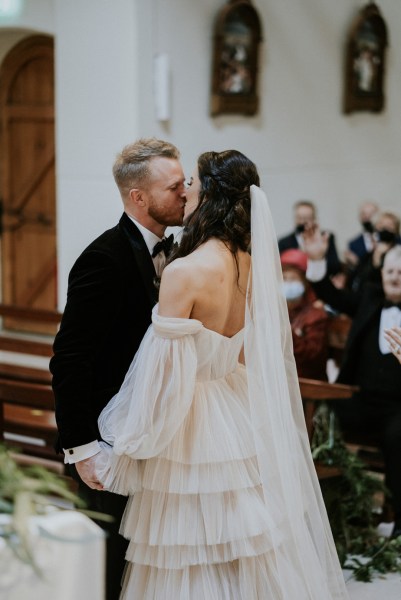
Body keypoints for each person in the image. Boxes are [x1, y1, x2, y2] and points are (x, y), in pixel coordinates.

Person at [94, 150, 348, 598]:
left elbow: (162, 376)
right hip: (235, 411)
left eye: (191, 182)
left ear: (208, 194)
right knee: (242, 543)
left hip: (190, 419)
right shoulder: (253, 265)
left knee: (185, 551)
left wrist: (131, 441)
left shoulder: (185, 272)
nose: (184, 191)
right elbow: (250, 356)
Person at [49, 138, 186, 599]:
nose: (185, 194)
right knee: (108, 571)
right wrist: (83, 448)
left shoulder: (180, 254)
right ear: (139, 198)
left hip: (152, 435)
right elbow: (70, 358)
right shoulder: (103, 258)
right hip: (106, 444)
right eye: (174, 187)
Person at [303, 226, 401, 540]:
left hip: (397, 408)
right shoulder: (370, 298)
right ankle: (328, 511)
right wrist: (317, 262)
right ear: (382, 272)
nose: (395, 277)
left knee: (399, 436)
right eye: (390, 270)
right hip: (357, 398)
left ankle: (399, 519)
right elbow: (332, 296)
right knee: (318, 419)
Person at [281, 248, 329, 380]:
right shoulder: (279, 309)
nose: (288, 283)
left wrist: (286, 330)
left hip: (304, 382)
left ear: (304, 282)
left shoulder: (317, 315)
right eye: (284, 278)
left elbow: (312, 357)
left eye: (293, 278)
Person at [278, 199, 342, 276]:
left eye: (307, 218)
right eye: (300, 218)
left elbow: (335, 266)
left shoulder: (326, 237)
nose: (303, 222)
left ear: (314, 218)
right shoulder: (283, 242)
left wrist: (318, 257)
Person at [345, 200, 379, 267]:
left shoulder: (390, 238)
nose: (367, 217)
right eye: (364, 214)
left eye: (371, 213)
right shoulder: (354, 244)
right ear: (360, 217)